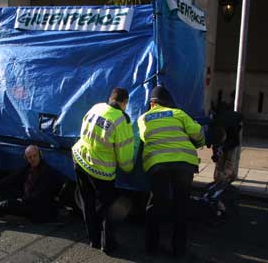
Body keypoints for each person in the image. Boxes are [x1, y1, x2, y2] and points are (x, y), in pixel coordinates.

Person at [137, 86, 205, 258]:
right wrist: (200, 141)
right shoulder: (178, 113)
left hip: (158, 164)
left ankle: (151, 247)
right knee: (181, 206)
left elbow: (145, 137)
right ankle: (178, 250)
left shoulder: (143, 118)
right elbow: (197, 132)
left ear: (152, 103)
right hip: (184, 164)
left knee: (155, 204)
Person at [72, 87, 135, 253]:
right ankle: (108, 244)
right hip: (101, 170)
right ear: (124, 103)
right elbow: (124, 153)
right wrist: (129, 168)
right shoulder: (122, 120)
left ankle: (93, 239)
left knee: (88, 202)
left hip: (79, 159)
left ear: (110, 98)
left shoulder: (97, 107)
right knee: (108, 207)